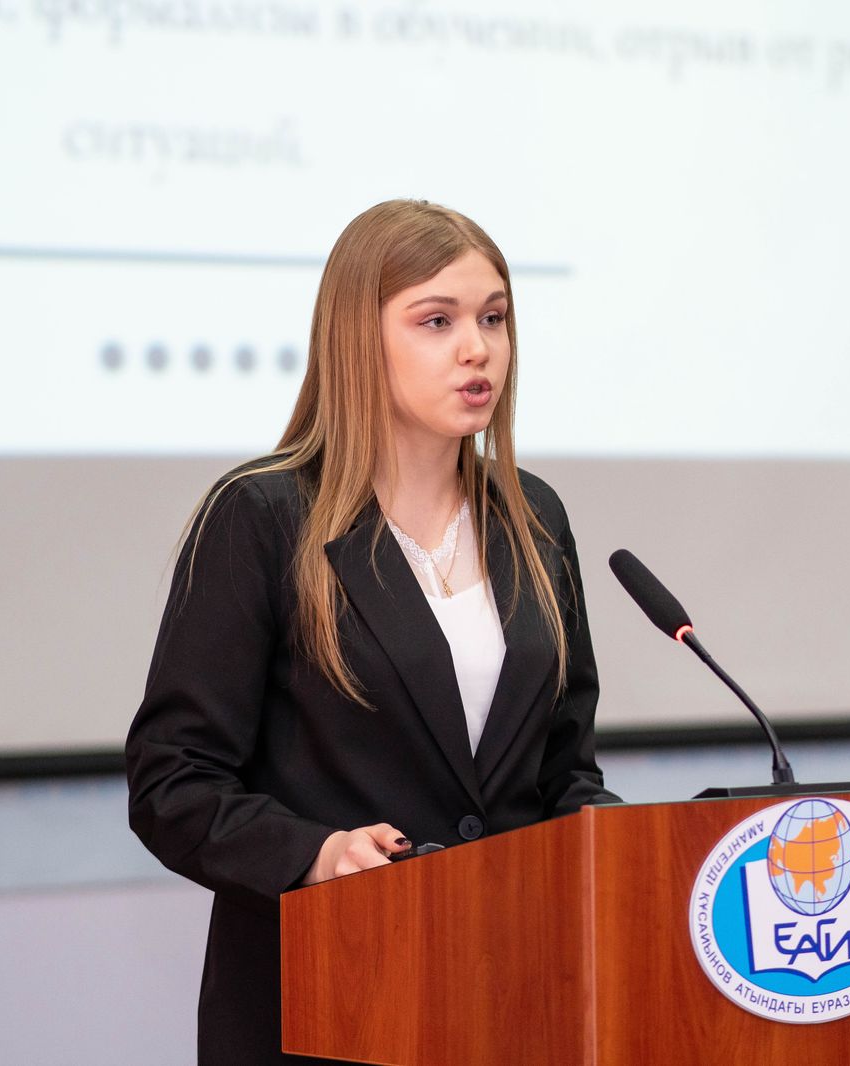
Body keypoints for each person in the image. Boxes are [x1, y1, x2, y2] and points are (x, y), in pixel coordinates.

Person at [125, 200, 620, 1065]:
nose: (478, 349)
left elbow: (563, 772)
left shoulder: (533, 516)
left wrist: (629, 852)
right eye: (438, 321)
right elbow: (173, 780)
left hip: (511, 997)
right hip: (329, 998)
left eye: (493, 318)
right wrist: (315, 855)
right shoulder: (263, 517)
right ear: (358, 339)